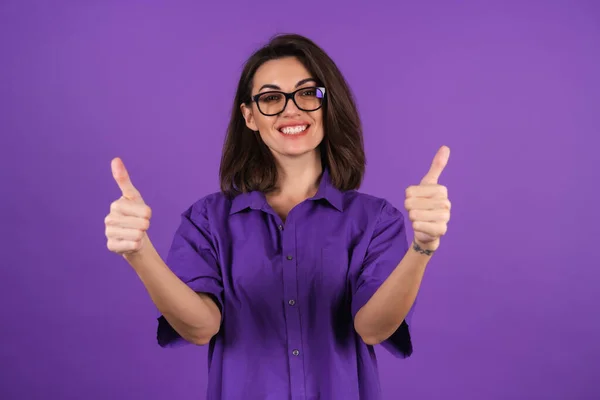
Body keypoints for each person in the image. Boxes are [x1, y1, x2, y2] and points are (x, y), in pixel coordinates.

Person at [104, 33, 451, 400]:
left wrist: (422, 248)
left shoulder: (376, 220)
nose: (291, 109)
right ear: (250, 116)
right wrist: (139, 252)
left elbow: (373, 329)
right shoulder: (206, 220)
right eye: (271, 98)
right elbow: (200, 327)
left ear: (327, 105)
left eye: (307, 93)